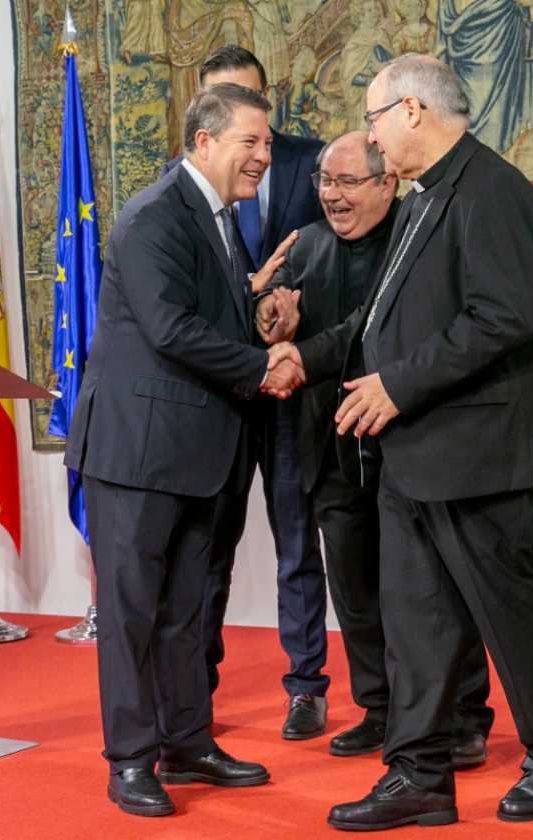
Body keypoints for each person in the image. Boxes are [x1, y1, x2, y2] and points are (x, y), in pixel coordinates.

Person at [269, 54, 533, 830]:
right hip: (416, 455)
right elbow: (377, 321)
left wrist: (396, 387)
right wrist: (304, 358)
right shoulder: (420, 202)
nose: (370, 137)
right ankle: (418, 775)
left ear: (412, 110)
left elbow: (500, 319)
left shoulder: (493, 190)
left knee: (509, 612)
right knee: (415, 622)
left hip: (481, 450)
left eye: (374, 118)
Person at [64, 83, 303, 818]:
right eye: (251, 142)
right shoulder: (153, 217)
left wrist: (255, 307)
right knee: (134, 613)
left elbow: (205, 316)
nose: (265, 156)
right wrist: (265, 364)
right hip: (137, 455)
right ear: (204, 141)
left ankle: (188, 742)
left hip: (198, 453)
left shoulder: (218, 218)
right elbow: (169, 328)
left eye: (268, 143)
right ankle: (130, 760)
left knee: (188, 613)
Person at [255, 130, 494, 767]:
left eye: (346, 183)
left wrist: (302, 355)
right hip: (331, 449)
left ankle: (464, 716)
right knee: (358, 595)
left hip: (410, 446)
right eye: (323, 183)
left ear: (387, 183)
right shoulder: (305, 245)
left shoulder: (414, 239)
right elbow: (274, 314)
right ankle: (380, 710)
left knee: (436, 594)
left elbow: (357, 328)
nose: (330, 196)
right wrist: (269, 316)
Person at [164, 45, 331, 740]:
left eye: (248, 100)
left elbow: (343, 244)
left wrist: (295, 294)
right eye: (220, 102)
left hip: (293, 382)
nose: (241, 125)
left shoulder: (312, 161)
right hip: (222, 392)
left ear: (269, 100)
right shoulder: (181, 187)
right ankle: (194, 688)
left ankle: (306, 688)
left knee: (298, 541)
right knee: (209, 549)